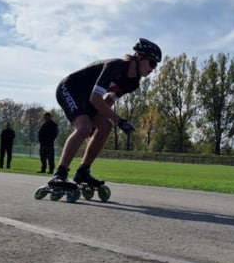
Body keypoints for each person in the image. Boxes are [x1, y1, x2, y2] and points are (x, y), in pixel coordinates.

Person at [49, 38, 161, 190]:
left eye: (156, 66)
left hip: (86, 96)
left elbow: (108, 100)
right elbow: (95, 98)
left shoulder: (133, 83)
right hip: (70, 88)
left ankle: (83, 171)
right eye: (152, 63)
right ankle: (59, 174)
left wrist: (101, 123)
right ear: (139, 57)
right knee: (84, 127)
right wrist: (119, 121)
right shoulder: (115, 66)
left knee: (105, 126)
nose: (153, 69)